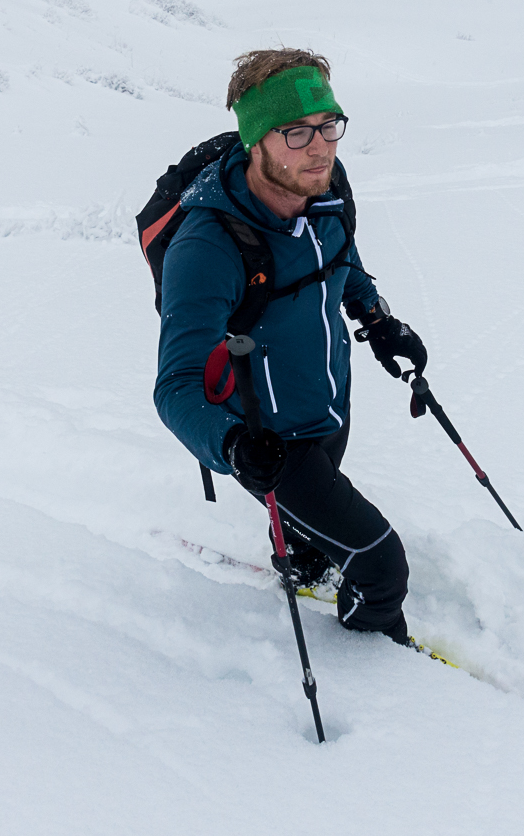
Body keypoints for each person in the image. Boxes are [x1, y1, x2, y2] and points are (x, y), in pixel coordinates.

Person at [154, 49, 427, 643]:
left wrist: (379, 321)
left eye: (329, 125)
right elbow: (174, 387)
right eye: (296, 132)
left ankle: (302, 558)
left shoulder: (323, 193)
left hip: (329, 407)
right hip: (269, 441)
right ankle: (374, 650)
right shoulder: (207, 246)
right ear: (256, 142)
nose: (320, 146)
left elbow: (340, 262)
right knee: (381, 567)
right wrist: (233, 445)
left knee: (320, 517)